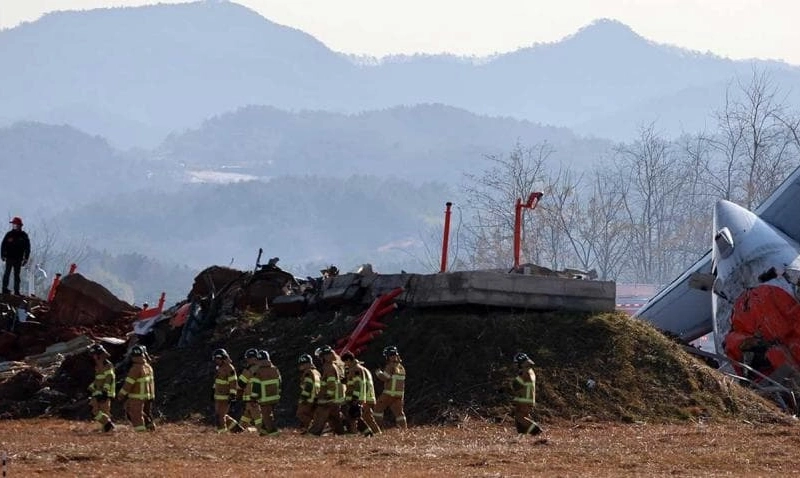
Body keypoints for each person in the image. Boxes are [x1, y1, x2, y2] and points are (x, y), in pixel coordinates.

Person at [307, 345, 346, 436]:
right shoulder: (333, 365)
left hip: (328, 399)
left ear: (323, 356)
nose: (320, 359)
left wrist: (328, 395)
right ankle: (342, 434)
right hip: (334, 399)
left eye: (320, 357)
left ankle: (313, 434)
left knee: (320, 416)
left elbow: (331, 383)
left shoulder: (328, 367)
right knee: (335, 418)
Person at [342, 351, 380, 436]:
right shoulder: (361, 368)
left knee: (362, 418)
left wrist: (355, 398)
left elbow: (358, 385)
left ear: (348, 360)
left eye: (345, 362)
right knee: (367, 418)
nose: (345, 365)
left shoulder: (355, 370)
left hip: (361, 398)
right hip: (366, 397)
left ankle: (374, 435)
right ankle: (375, 434)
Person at [117, 344, 154, 432]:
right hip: (148, 395)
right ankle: (150, 428)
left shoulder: (135, 368)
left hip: (137, 396)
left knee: (135, 414)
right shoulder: (148, 367)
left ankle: (141, 433)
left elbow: (128, 384)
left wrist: (121, 395)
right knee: (147, 413)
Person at [373, 345, 407, 429]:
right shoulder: (401, 367)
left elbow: (385, 378)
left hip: (388, 393)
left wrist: (378, 373)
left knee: (378, 410)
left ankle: (377, 429)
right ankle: (404, 430)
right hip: (399, 395)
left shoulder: (390, 366)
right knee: (399, 414)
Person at [211, 348, 243, 433]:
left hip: (226, 397)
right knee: (220, 415)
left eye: (218, 359)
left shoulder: (229, 368)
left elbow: (233, 382)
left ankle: (222, 434)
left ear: (223, 358)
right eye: (216, 359)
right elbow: (217, 381)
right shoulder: (219, 367)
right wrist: (213, 390)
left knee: (220, 416)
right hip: (218, 396)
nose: (216, 361)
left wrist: (232, 394)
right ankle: (236, 428)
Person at [250, 349, 281, 436]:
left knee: (267, 418)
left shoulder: (258, 372)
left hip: (264, 399)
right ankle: (263, 434)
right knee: (267, 416)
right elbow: (280, 382)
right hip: (275, 398)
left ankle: (274, 435)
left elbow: (256, 387)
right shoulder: (275, 369)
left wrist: (253, 398)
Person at [511, 352, 543, 436]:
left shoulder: (525, 372)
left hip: (525, 399)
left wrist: (503, 388)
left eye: (516, 363)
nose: (514, 365)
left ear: (520, 363)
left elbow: (516, 385)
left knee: (520, 417)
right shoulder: (529, 371)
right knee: (520, 417)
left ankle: (537, 431)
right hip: (525, 398)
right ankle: (522, 435)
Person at [87, 343, 116, 432]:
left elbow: (109, 378)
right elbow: (98, 379)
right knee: (100, 411)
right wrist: (91, 387)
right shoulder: (98, 365)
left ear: (99, 354)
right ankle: (108, 427)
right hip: (98, 391)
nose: (93, 357)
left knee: (99, 411)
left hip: (104, 393)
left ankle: (109, 426)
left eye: (94, 355)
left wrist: (105, 391)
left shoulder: (106, 365)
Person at [1, 217, 31, 296]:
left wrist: (26, 258)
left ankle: (16, 291)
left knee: (17, 275)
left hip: (18, 259)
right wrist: (3, 255)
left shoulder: (24, 236)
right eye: (13, 225)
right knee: (7, 273)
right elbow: (3, 245)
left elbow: (27, 248)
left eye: (16, 225)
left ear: (20, 226)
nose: (14, 226)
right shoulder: (9, 234)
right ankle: (4, 289)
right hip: (9, 258)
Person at [237, 348, 261, 430]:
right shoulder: (261, 367)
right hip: (254, 399)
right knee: (246, 417)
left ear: (252, 358)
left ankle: (263, 434)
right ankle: (239, 431)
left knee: (257, 418)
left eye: (248, 359)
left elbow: (241, 383)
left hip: (252, 399)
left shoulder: (250, 369)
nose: (247, 361)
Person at [296, 353, 321, 431]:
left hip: (309, 399)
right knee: (311, 415)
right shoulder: (317, 372)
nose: (300, 366)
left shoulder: (308, 372)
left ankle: (310, 428)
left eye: (301, 364)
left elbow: (308, 386)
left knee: (300, 413)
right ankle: (307, 429)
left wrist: (303, 398)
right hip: (316, 397)